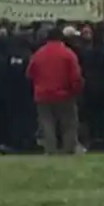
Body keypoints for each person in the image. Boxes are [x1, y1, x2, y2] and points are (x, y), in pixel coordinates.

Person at [26, 27, 84, 155]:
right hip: (64, 94)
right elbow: (75, 76)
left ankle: (50, 149)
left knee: (47, 123)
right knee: (68, 123)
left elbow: (29, 73)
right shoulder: (68, 53)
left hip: (42, 94)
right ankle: (68, 148)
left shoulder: (38, 54)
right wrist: (76, 90)